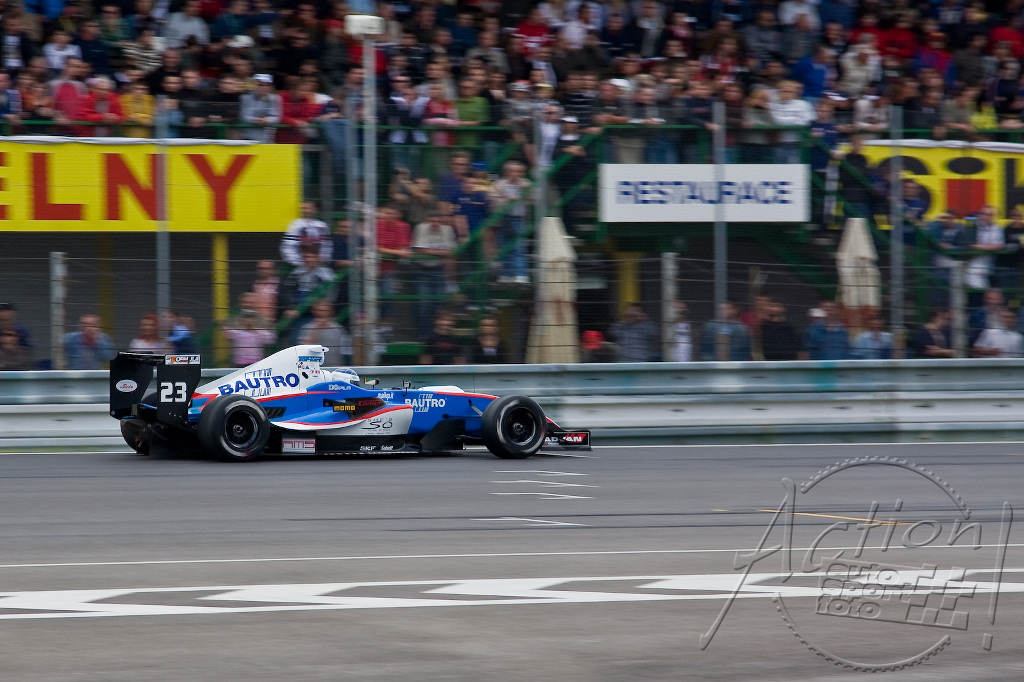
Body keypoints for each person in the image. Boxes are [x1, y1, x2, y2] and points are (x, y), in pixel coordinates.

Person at [411, 211, 458, 336]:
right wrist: (441, 252)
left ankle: (436, 333)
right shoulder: (421, 228)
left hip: (439, 269)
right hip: (423, 269)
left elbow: (451, 252)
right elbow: (420, 250)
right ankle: (423, 333)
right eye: (433, 221)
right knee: (424, 302)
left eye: (438, 221)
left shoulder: (447, 230)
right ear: (428, 221)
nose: (435, 223)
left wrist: (431, 251)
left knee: (439, 303)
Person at [298, 299, 350, 366]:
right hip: (314, 367)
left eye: (325, 310)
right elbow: (303, 349)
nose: (322, 313)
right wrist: (317, 330)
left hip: (335, 366)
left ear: (331, 312)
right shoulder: (307, 327)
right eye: (319, 310)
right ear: (314, 311)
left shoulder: (338, 329)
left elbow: (345, 350)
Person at [280, 201, 331, 268]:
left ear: (314, 209)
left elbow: (327, 246)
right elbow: (289, 246)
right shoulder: (295, 225)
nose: (305, 211)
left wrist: (321, 260)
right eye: (303, 208)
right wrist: (299, 263)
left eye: (308, 208)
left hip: (320, 265)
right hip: (300, 266)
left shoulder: (322, 225)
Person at [251, 260, 280, 324]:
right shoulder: (253, 285)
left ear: (273, 270)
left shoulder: (279, 284)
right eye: (260, 268)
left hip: (274, 322)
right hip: (256, 322)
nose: (263, 271)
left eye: (267, 268)